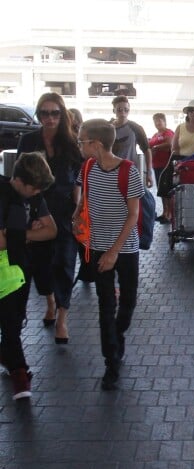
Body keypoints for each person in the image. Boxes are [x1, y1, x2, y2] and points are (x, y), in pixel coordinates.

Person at [72, 119, 144, 391]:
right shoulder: (87, 167)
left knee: (128, 301)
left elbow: (134, 214)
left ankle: (118, 335)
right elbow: (84, 199)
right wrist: (77, 215)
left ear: (96, 144)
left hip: (125, 248)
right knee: (105, 305)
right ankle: (110, 363)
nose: (79, 145)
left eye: (82, 141)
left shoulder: (128, 171)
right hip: (97, 245)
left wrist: (114, 252)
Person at [17, 92, 83, 344]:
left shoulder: (71, 143)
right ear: (38, 114)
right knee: (41, 266)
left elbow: (79, 177)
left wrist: (77, 207)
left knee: (65, 264)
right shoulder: (29, 140)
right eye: (44, 113)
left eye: (55, 112)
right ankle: (50, 301)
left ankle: (62, 319)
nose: (49, 118)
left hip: (64, 211)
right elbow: (20, 177)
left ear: (62, 114)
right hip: (36, 212)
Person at [0, 152, 57, 400]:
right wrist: (25, 233)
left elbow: (51, 230)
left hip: (19, 273)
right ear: (19, 180)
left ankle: (12, 361)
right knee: (10, 326)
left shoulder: (33, 198)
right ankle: (20, 375)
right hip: (10, 270)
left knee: (13, 323)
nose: (36, 194)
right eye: (33, 189)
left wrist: (19, 236)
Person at [111, 95, 154, 188]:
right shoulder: (107, 128)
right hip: (109, 172)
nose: (123, 112)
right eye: (119, 109)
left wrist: (149, 173)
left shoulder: (135, 127)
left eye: (126, 110)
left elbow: (147, 150)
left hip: (129, 172)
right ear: (114, 110)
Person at [148, 113, 174, 224]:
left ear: (164, 121)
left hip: (166, 165)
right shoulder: (155, 134)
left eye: (159, 121)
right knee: (161, 191)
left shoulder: (168, 132)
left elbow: (169, 144)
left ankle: (170, 214)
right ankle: (164, 212)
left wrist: (156, 147)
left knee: (167, 190)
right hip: (156, 165)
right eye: (155, 121)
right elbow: (149, 146)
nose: (157, 123)